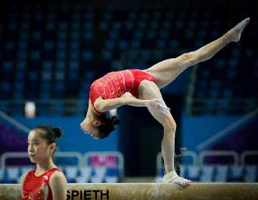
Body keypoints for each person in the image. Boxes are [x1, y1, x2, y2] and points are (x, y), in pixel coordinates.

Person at [80, 17, 250, 187]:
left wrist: (124, 108)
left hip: (143, 74)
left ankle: (229, 36)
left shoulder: (97, 105)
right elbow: (125, 99)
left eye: (91, 133)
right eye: (90, 133)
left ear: (96, 122)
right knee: (170, 125)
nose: (86, 132)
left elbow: (120, 100)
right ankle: (170, 173)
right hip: (142, 85)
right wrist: (146, 102)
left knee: (188, 58)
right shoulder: (99, 106)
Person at [20, 125, 67, 200]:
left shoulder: (56, 177)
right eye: (29, 144)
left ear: (51, 147)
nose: (30, 149)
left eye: (35, 144)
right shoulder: (25, 177)